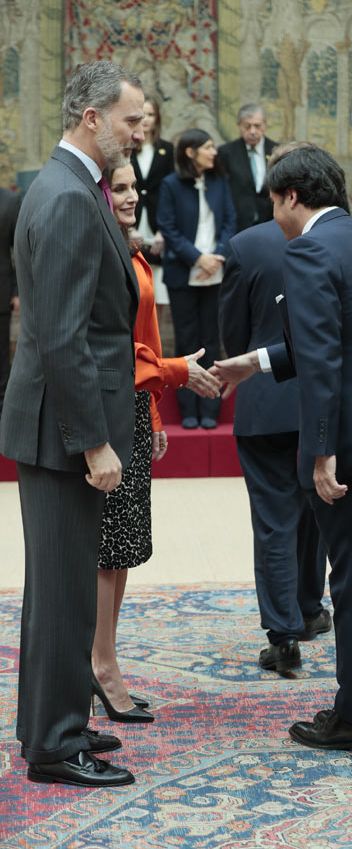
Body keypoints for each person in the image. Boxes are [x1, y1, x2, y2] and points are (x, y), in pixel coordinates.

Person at [212, 144, 352, 754]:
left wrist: (320, 452)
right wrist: (255, 363)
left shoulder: (308, 249)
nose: (274, 218)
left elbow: (322, 357)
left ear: (289, 197)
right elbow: (344, 336)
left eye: (274, 204)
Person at [0, 61, 146, 787]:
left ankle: (54, 720)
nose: (138, 132)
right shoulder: (63, 195)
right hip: (65, 433)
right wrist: (94, 440)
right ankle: (55, 747)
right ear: (91, 116)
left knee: (63, 588)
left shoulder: (69, 186)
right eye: (131, 120)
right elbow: (60, 335)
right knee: (60, 592)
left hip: (67, 425)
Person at [91, 163, 221, 721]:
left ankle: (104, 658)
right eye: (118, 188)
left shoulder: (134, 250)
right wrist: (174, 372)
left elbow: (145, 340)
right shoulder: (101, 253)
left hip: (134, 411)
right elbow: (116, 352)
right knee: (105, 549)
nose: (130, 196)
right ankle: (99, 665)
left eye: (133, 188)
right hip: (103, 416)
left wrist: (157, 415)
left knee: (123, 548)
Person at [219, 217, 329, 677]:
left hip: (266, 401)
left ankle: (284, 637)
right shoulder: (336, 240)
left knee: (273, 523)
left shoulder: (245, 244)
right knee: (316, 512)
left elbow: (233, 330)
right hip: (322, 399)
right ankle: (308, 608)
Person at [157, 129, 236, 429]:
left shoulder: (220, 182)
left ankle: (210, 407)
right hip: (183, 273)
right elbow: (168, 226)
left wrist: (216, 256)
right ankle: (188, 407)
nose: (214, 152)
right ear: (190, 152)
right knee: (187, 341)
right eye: (208, 147)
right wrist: (197, 258)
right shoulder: (170, 185)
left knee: (212, 341)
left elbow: (230, 222)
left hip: (215, 273)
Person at [130, 96, 174, 323]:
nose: (145, 120)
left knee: (158, 295)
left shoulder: (167, 150)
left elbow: (171, 194)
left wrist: (163, 232)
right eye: (141, 114)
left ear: (157, 119)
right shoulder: (126, 148)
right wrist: (129, 228)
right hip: (134, 223)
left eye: (150, 114)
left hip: (159, 225)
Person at [217, 104, 277, 232]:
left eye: (257, 126)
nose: (252, 131)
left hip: (271, 223)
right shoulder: (226, 153)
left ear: (265, 125)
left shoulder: (277, 151)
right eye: (247, 126)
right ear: (239, 126)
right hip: (238, 224)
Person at [0, 187, 19, 416]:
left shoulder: (11, 201)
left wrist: (16, 290)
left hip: (2, 292)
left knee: (2, 361)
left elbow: (19, 250)